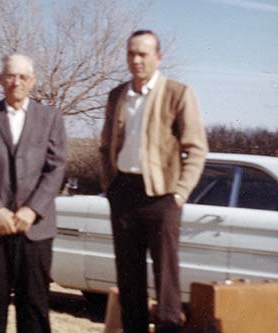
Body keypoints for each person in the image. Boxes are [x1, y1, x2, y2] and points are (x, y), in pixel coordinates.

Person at [100, 30, 208, 333]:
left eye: (143, 54)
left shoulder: (177, 93)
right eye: (131, 53)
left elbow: (196, 148)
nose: (136, 60)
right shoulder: (117, 95)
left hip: (162, 196)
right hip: (123, 193)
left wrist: (180, 193)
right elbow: (104, 145)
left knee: (166, 280)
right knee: (128, 277)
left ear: (158, 58)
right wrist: (110, 186)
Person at [0, 53, 67, 333]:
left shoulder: (51, 118)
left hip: (35, 229)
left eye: (23, 76)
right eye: (10, 76)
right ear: (0, 79)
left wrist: (32, 209)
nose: (16, 82)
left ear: (32, 81)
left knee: (34, 306)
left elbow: (56, 168)